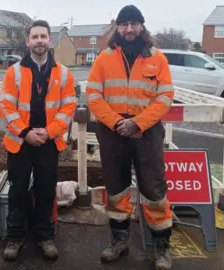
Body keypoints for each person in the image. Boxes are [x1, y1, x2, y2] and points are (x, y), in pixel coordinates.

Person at [86, 5, 175, 270]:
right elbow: (93, 96)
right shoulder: (103, 58)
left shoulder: (158, 59)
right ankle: (119, 241)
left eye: (134, 24)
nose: (129, 29)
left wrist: (138, 123)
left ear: (142, 27)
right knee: (116, 188)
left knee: (154, 189)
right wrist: (117, 123)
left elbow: (165, 96)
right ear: (117, 28)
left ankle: (162, 249)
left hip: (146, 132)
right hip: (113, 132)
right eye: (125, 24)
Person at [0, 20, 78, 262]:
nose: (39, 41)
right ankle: (15, 237)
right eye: (35, 37)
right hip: (20, 143)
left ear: (49, 40)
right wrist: (25, 132)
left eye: (43, 36)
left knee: (45, 191)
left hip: (48, 143)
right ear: (28, 42)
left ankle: (45, 236)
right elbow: (7, 106)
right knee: (18, 191)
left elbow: (68, 107)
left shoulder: (63, 73)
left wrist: (49, 131)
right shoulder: (14, 71)